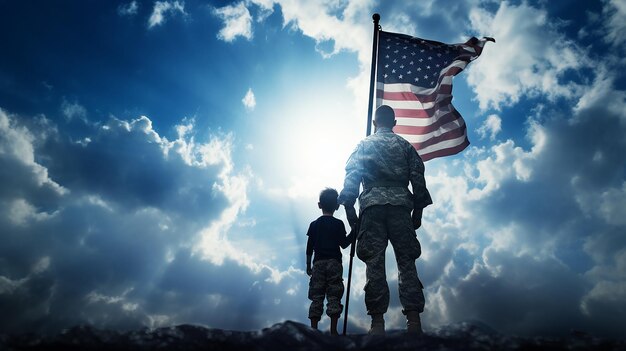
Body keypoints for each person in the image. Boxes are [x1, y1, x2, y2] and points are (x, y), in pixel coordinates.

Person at [338, 105, 433, 335]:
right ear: (395, 122)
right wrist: (417, 213)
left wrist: (352, 217)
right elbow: (418, 177)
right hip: (401, 207)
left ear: (374, 122)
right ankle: (413, 321)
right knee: (407, 261)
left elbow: (351, 179)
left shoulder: (363, 145)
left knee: (374, 263)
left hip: (372, 208)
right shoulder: (404, 145)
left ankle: (377, 324)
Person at [306, 188, 355, 335]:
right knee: (334, 294)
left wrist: (308, 266)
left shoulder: (314, 224)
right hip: (334, 263)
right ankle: (333, 330)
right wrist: (354, 231)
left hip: (318, 264)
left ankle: (314, 330)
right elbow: (345, 244)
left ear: (319, 205)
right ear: (337, 206)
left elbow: (309, 248)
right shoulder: (339, 224)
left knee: (317, 296)